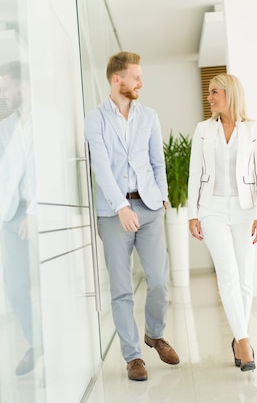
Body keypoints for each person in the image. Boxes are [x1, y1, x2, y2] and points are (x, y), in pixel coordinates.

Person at [84, 51, 180, 381]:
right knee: (122, 288)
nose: (141, 82)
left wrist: (163, 197)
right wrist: (121, 207)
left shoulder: (148, 116)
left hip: (150, 208)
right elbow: (101, 167)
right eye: (135, 77)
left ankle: (154, 334)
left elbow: (157, 161)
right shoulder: (95, 119)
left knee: (158, 281)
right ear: (117, 79)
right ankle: (133, 357)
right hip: (113, 213)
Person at [187, 73, 257, 372]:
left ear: (230, 93)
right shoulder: (203, 130)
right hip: (211, 209)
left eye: (214, 92)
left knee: (246, 277)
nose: (209, 97)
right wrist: (192, 213)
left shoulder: (255, 129)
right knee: (228, 272)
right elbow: (195, 173)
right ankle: (245, 341)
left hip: (246, 210)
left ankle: (238, 338)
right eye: (209, 93)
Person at [0, 60, 39, 376]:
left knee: (47, 285)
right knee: (14, 288)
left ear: (21, 85)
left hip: (41, 211)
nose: (2, 94)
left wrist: (34, 211)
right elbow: (1, 174)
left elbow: (48, 171)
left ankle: (54, 346)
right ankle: (37, 343)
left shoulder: (47, 120)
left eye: (5, 86)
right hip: (10, 215)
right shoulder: (3, 128)